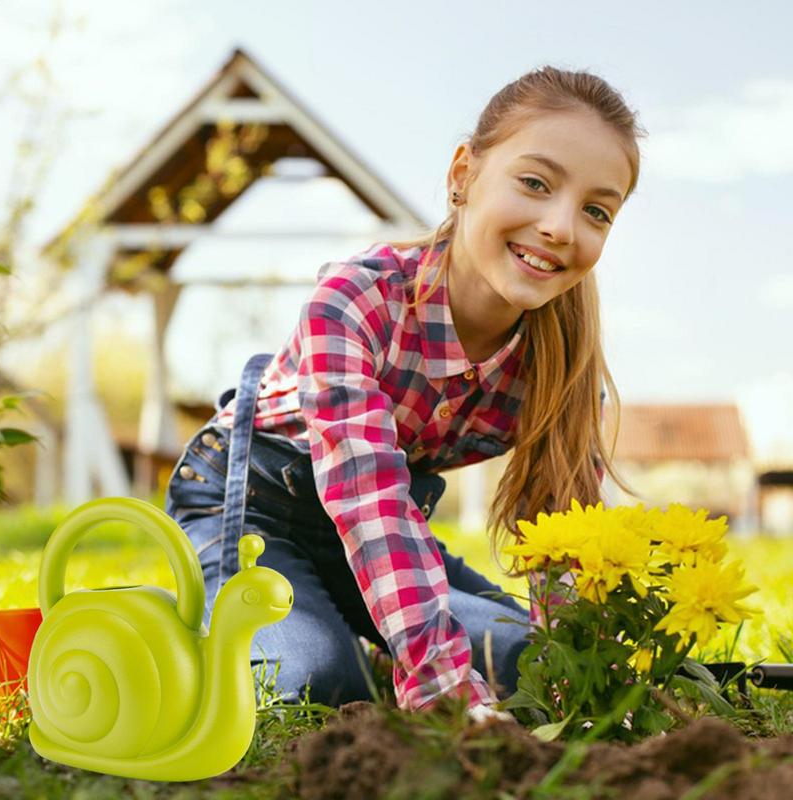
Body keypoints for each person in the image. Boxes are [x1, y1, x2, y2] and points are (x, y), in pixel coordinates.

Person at [165, 64, 644, 720]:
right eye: (535, 183)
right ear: (463, 175)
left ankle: (372, 632)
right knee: (319, 683)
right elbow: (367, 498)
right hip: (251, 508)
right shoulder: (355, 300)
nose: (561, 226)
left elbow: (565, 549)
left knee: (526, 661)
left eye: (596, 210)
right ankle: (213, 622)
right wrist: (440, 681)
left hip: (387, 532)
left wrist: (580, 677)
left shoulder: (559, 369)